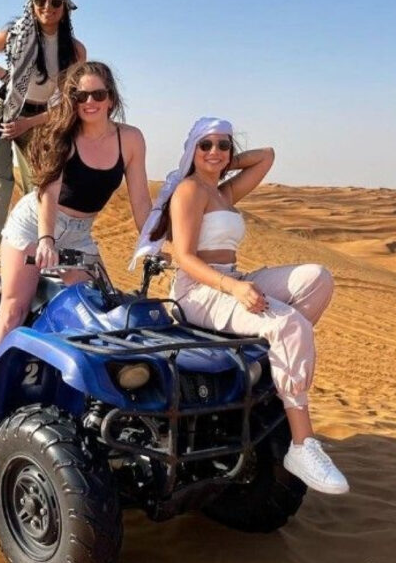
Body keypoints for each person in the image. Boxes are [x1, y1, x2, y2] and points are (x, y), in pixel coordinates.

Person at [131, 116, 349, 496]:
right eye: (206, 145)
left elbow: (266, 156)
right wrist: (232, 288)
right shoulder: (189, 190)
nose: (215, 151)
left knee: (318, 278)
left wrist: (222, 163)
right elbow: (183, 257)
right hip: (200, 291)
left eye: (223, 145)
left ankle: (268, 363)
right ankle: (302, 444)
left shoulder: (223, 193)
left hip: (234, 277)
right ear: (191, 150)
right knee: (289, 325)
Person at [0, 61, 152, 361]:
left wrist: (152, 244)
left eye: (98, 95)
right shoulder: (61, 135)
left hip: (79, 235)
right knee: (13, 311)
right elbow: (48, 193)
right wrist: (46, 239)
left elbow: (140, 201)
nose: (89, 103)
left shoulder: (130, 139)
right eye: (80, 96)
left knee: (101, 312)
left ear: (111, 98)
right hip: (34, 225)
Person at [0, 0, 86, 295]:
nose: (48, 7)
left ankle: (38, 260)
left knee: (41, 189)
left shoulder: (75, 51)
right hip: (1, 115)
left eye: (55, 1)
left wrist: (30, 124)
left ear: (65, 7)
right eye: (40, 1)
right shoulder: (14, 36)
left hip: (40, 120)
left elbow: (67, 102)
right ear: (31, 5)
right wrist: (3, 74)